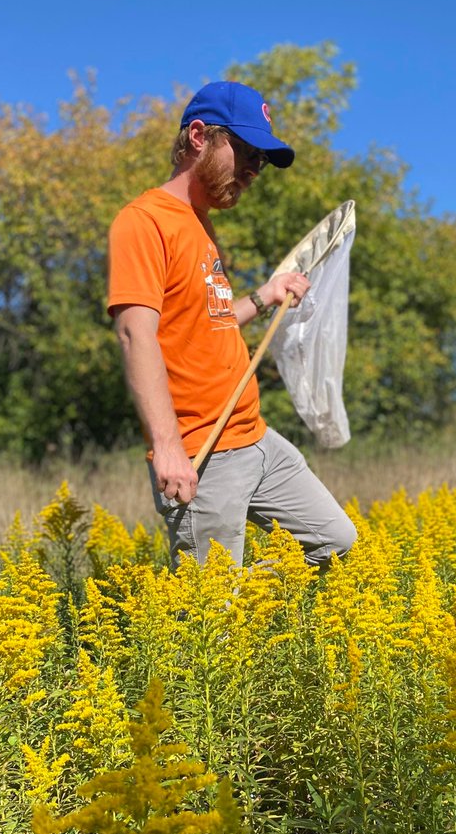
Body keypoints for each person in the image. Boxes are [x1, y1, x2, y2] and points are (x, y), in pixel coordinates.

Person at [107, 80, 357, 568]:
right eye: (244, 152)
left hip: (256, 437)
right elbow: (136, 335)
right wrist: (168, 448)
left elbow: (208, 321)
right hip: (202, 452)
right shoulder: (143, 221)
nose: (252, 172)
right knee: (210, 618)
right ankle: (219, 611)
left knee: (335, 541)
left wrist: (265, 296)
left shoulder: (201, 226)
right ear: (199, 137)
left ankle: (242, 604)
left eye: (261, 162)